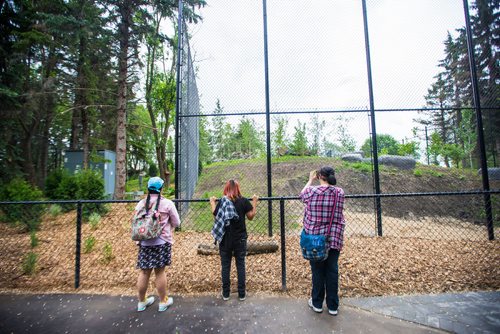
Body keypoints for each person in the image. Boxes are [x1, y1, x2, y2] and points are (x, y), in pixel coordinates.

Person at [300, 166, 345, 316]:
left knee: (317, 270)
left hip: (316, 239)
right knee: (332, 270)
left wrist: (310, 180)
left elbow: (302, 195)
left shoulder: (312, 191)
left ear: (319, 176)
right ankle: (333, 306)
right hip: (334, 236)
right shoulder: (340, 193)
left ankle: (317, 303)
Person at [133, 176, 180, 312]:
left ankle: (142, 302)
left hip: (144, 243)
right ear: (161, 189)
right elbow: (177, 222)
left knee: (144, 272)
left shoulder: (141, 203)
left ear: (148, 188)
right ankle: (163, 301)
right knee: (160, 272)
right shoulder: (167, 204)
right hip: (162, 242)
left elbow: (135, 220)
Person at [209, 179, 258, 301]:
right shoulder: (243, 201)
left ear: (226, 189)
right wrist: (255, 202)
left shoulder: (223, 201)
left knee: (225, 266)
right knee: (240, 265)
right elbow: (251, 216)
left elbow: (215, 214)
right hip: (240, 239)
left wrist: (212, 202)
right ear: (238, 189)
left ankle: (226, 293)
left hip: (225, 239)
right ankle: (242, 294)